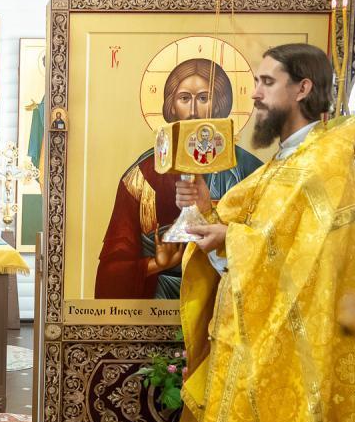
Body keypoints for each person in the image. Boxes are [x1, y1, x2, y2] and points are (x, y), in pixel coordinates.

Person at [173, 43, 355, 422]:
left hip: (284, 362)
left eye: (266, 82)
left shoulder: (321, 165)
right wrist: (207, 212)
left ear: (302, 88)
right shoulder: (286, 161)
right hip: (247, 347)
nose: (255, 93)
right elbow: (252, 237)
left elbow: (304, 263)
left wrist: (229, 237)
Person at [96, 58, 264, 299]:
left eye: (204, 98)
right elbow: (111, 272)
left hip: (225, 300)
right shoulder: (142, 176)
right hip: (159, 303)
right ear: (172, 106)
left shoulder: (249, 171)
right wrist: (156, 264)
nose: (193, 110)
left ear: (219, 104)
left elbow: (268, 251)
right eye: (184, 98)